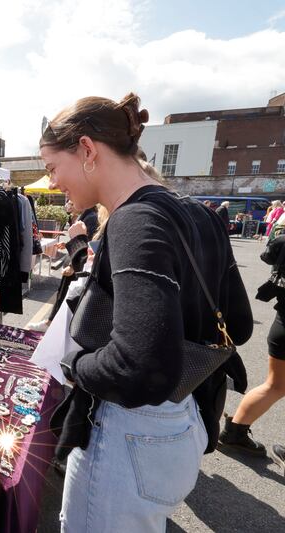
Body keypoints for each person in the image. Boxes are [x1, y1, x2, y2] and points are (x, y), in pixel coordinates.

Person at [40, 92, 253, 531]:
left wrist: (76, 365)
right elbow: (240, 325)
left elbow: (141, 367)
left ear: (87, 150)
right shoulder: (200, 215)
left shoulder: (135, 221)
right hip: (183, 423)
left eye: (52, 167)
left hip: (128, 434)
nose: (53, 182)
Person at [219, 233, 285, 457]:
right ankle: (234, 434)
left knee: (274, 386)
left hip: (282, 325)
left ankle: (234, 433)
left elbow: (268, 254)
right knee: (276, 386)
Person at [26, 204, 102, 333]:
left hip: (76, 265)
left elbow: (87, 245)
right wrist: (67, 245)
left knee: (65, 296)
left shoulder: (90, 218)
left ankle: (52, 324)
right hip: (75, 262)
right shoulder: (86, 216)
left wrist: (72, 266)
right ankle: (52, 323)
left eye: (71, 203)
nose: (69, 205)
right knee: (63, 295)